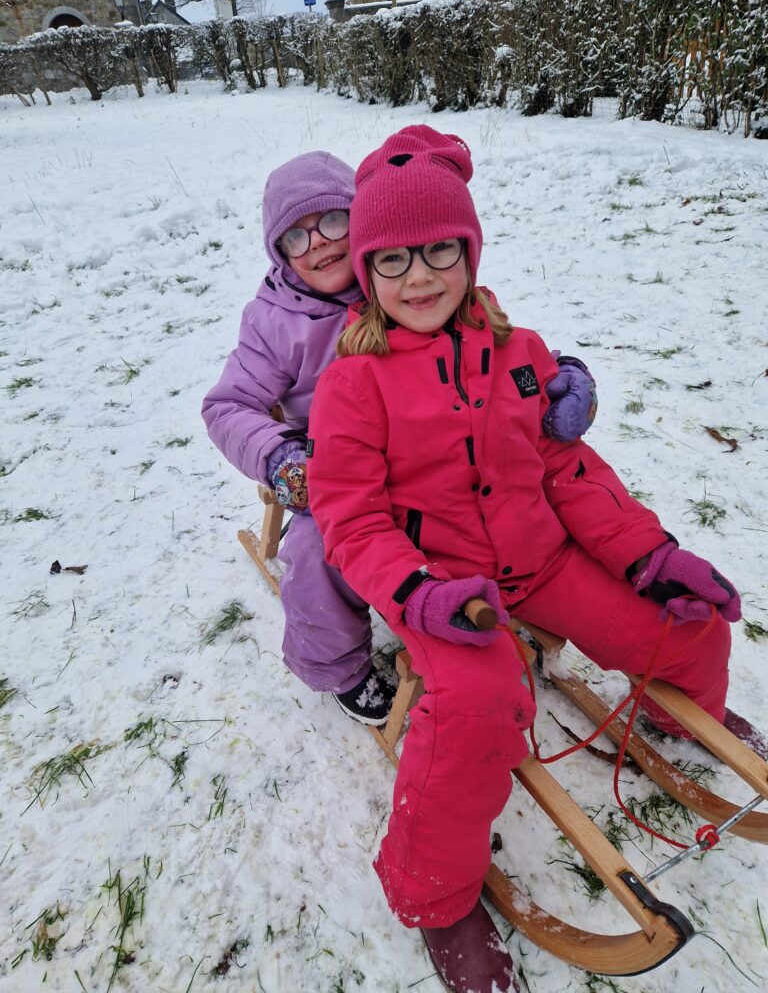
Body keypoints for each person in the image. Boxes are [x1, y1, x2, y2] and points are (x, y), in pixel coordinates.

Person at [305, 126, 747, 993]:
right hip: (444, 590)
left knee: (689, 626)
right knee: (478, 706)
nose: (419, 277)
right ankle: (435, 897)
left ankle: (677, 720)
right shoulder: (355, 382)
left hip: (542, 563)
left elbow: (569, 472)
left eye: (440, 249)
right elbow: (349, 518)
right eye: (392, 260)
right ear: (366, 271)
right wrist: (417, 592)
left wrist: (650, 555)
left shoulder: (520, 354)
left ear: (470, 250)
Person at [202, 150, 597, 728]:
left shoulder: (406, 275)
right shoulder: (274, 322)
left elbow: (487, 344)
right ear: (279, 251)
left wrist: (560, 376)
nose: (318, 243)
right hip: (337, 467)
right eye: (295, 236)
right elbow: (228, 405)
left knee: (510, 483)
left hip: (432, 445)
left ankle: (520, 586)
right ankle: (340, 665)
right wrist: (281, 455)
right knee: (317, 552)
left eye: (332, 220)